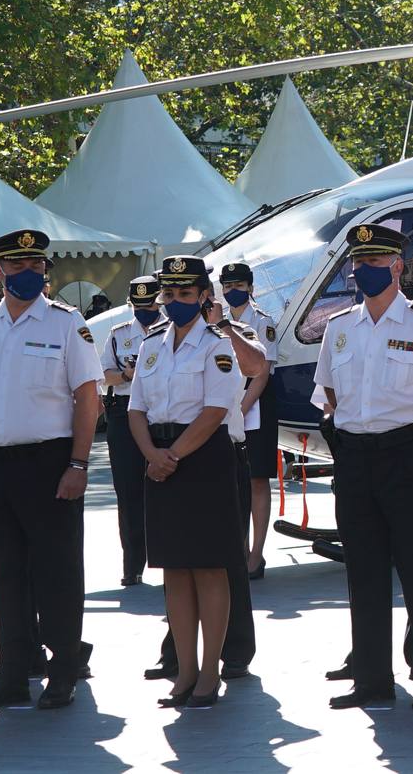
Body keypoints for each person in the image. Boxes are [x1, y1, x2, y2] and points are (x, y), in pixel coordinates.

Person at [0, 229, 102, 711]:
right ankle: (12, 673)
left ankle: (63, 670)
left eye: (37, 266)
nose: (29, 274)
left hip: (48, 463)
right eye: (18, 266)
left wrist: (78, 463)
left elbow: (88, 398)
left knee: (57, 572)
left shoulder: (65, 324)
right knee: (4, 574)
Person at [312, 223, 413, 710]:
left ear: (398, 266)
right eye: (359, 264)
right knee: (365, 573)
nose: (365, 271)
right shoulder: (338, 328)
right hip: (356, 459)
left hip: (410, 458)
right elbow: (330, 396)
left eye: (376, 263)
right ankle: (372, 679)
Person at [127, 255, 244, 708]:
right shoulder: (152, 345)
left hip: (203, 458)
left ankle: (211, 672)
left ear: (202, 297)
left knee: (209, 568)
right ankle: (185, 670)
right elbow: (135, 408)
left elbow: (215, 410)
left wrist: (172, 455)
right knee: (174, 570)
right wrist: (153, 454)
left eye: (184, 293)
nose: (175, 301)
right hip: (159, 458)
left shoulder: (216, 346)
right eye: (169, 294)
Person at [143, 302, 263, 684]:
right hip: (170, 454)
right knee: (178, 567)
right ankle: (178, 657)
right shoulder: (157, 340)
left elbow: (256, 365)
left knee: (222, 562)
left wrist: (223, 326)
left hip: (219, 454)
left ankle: (235, 651)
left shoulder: (231, 333)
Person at [217, 262, 280, 579]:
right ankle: (236, 549)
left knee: (257, 479)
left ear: (251, 287)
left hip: (255, 403)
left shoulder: (263, 322)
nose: (232, 292)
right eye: (227, 286)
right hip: (225, 404)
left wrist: (240, 408)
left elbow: (263, 372)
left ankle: (256, 555)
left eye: (238, 286)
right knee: (232, 480)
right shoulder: (216, 322)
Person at [102, 276, 161, 586]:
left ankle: (170, 558)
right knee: (128, 492)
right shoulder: (119, 334)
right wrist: (125, 374)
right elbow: (104, 376)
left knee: (166, 489)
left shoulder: (171, 330)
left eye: (149, 305)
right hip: (124, 414)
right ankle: (132, 564)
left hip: (160, 414)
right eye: (138, 306)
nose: (144, 311)